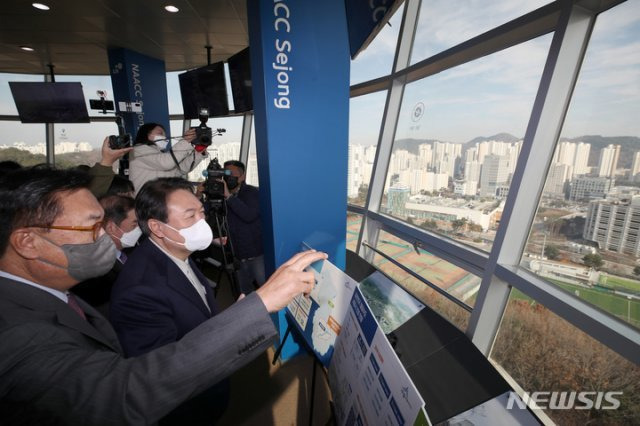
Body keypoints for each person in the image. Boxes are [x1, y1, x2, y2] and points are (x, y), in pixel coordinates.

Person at [0, 166, 325, 424]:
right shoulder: (16, 334)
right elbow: (131, 390)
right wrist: (262, 302)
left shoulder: (176, 256)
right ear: (27, 242)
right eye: (93, 226)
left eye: (201, 212)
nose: (107, 235)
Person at [109, 178, 228, 424]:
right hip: (185, 409)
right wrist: (235, 326)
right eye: (190, 216)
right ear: (158, 227)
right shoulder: (141, 289)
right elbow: (163, 373)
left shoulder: (177, 253)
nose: (202, 223)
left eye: (202, 212)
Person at [72, 194, 140, 315]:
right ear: (111, 227)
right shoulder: (95, 272)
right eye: (134, 225)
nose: (139, 230)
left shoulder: (132, 252)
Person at [128, 123, 207, 196]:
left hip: (156, 201)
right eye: (160, 133)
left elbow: (180, 169)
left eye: (165, 135)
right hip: (143, 203)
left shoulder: (158, 155)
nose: (164, 137)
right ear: (146, 134)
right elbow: (166, 163)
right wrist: (185, 141)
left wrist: (198, 152)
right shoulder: (138, 150)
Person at [223, 160, 265, 294]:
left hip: (257, 255)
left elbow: (249, 215)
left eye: (231, 173)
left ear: (242, 177)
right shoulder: (222, 195)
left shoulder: (253, 193)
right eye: (225, 173)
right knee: (244, 292)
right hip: (238, 256)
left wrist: (229, 197)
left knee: (266, 288)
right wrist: (200, 194)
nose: (227, 177)